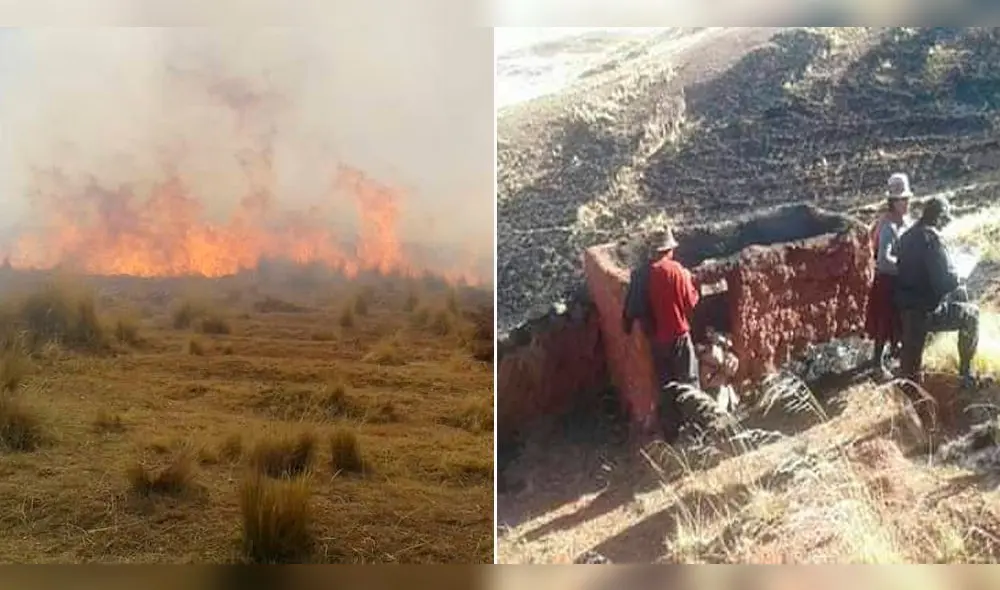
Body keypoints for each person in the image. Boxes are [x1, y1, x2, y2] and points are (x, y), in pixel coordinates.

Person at [895, 195, 980, 389]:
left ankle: (909, 389)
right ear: (939, 217)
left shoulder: (906, 237)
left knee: (910, 374)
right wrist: (958, 278)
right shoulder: (932, 239)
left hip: (904, 310)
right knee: (971, 314)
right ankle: (966, 374)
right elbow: (944, 283)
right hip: (927, 311)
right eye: (945, 221)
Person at [644, 228, 701, 442]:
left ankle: (671, 435)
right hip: (678, 335)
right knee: (689, 383)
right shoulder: (677, 270)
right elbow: (691, 302)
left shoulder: (646, 274)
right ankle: (697, 433)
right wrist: (693, 286)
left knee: (667, 388)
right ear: (669, 249)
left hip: (657, 341)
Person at [864, 173, 911, 380]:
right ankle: (877, 365)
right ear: (893, 201)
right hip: (886, 281)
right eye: (903, 200)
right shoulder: (887, 227)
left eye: (907, 199)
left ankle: (896, 353)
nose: (907, 203)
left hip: (898, 281)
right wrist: (903, 267)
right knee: (884, 323)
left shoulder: (904, 222)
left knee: (898, 321)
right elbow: (883, 259)